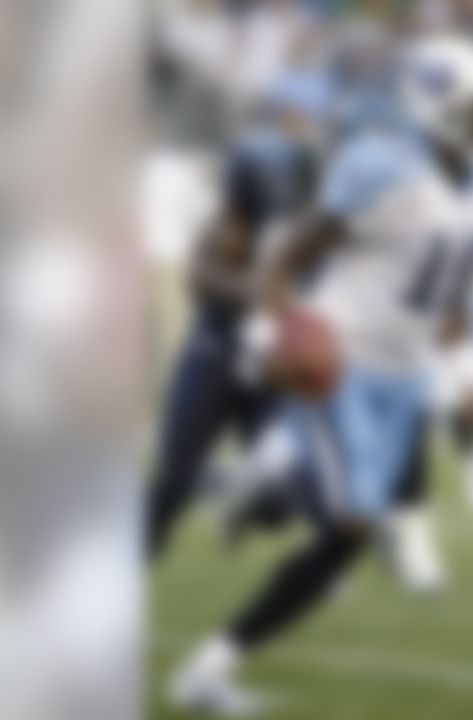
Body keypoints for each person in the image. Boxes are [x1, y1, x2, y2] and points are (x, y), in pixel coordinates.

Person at [169, 35, 473, 715]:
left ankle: (211, 661)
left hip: (408, 377)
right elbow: (287, 256)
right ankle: (265, 476)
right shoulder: (384, 167)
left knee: (342, 546)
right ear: (438, 105)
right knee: (357, 521)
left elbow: (447, 300)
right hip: (341, 360)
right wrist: (269, 337)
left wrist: (470, 377)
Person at [144, 72, 328, 560]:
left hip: (270, 371)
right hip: (216, 353)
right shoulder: (232, 218)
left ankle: (236, 504)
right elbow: (200, 275)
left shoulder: (318, 226)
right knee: (175, 482)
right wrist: (256, 292)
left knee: (285, 497)